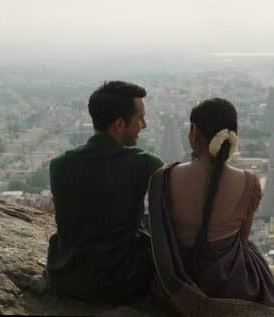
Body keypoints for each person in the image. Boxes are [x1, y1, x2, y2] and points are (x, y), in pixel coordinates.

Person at [147, 97, 274, 315]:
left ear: (194, 133)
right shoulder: (249, 182)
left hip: (176, 284)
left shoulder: (163, 178)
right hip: (231, 283)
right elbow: (242, 240)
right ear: (232, 137)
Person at [43, 80, 164, 305]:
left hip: (65, 277)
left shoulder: (59, 165)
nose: (144, 125)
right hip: (121, 283)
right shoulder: (145, 164)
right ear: (119, 125)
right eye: (140, 119)